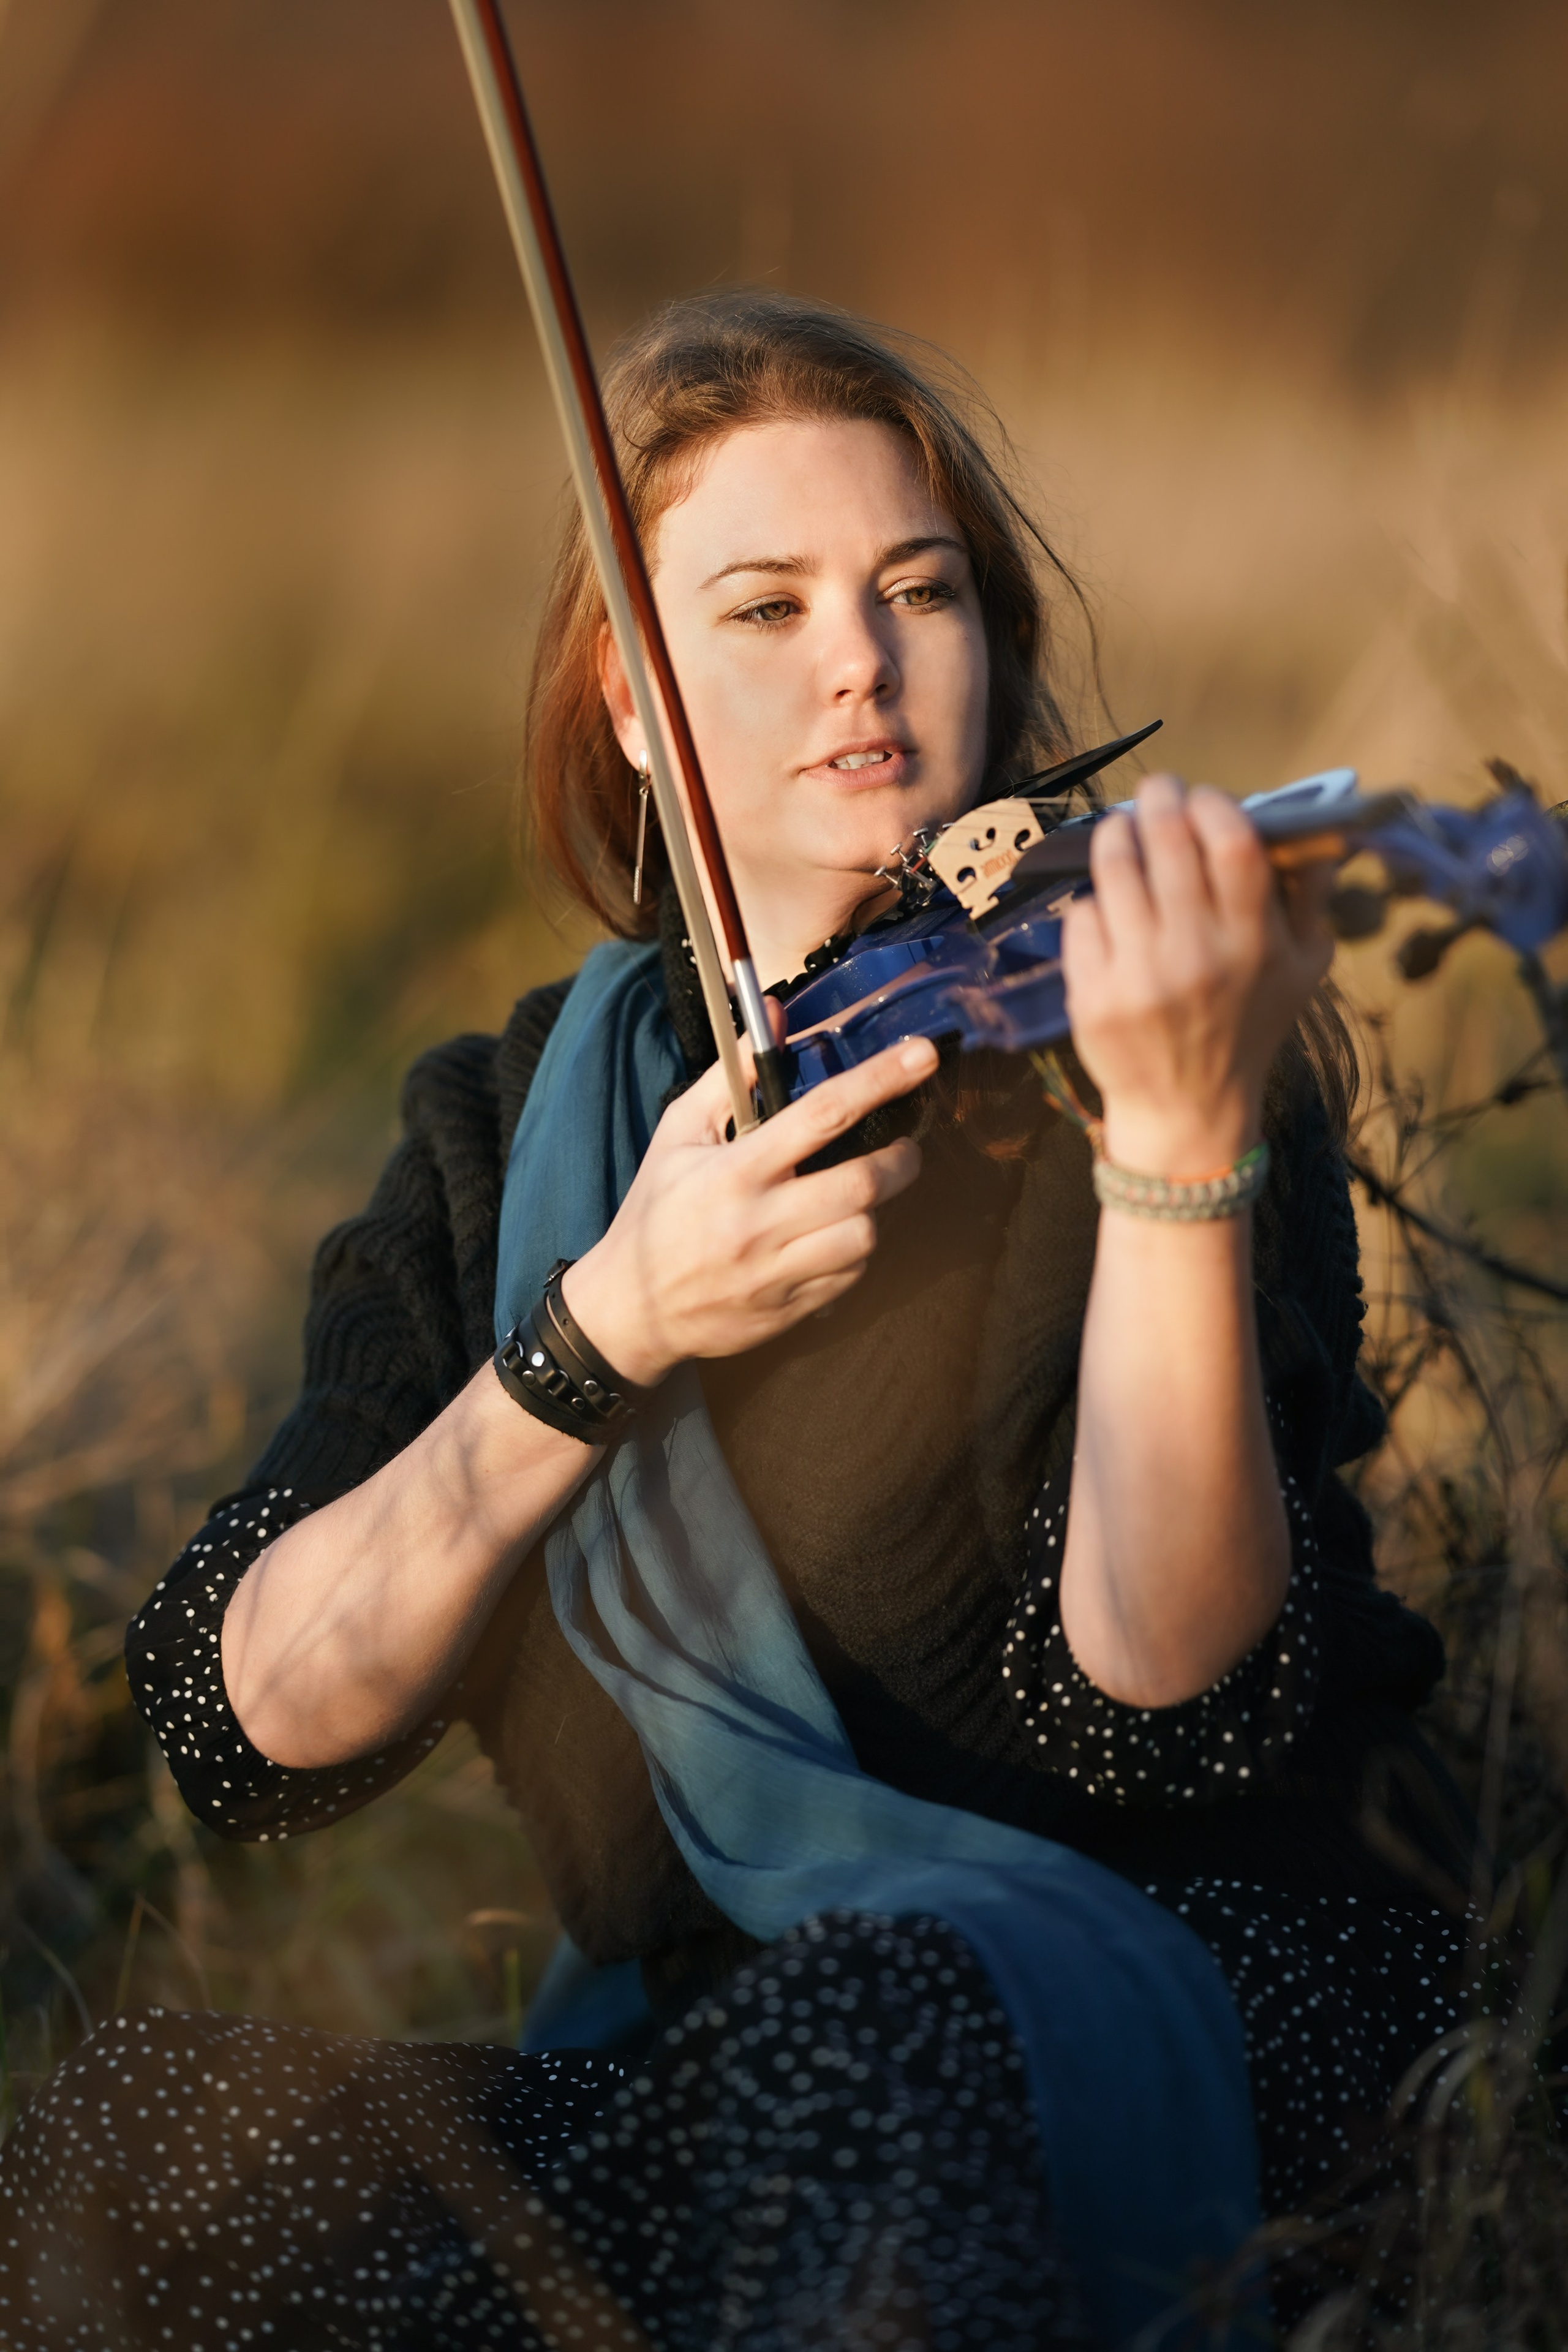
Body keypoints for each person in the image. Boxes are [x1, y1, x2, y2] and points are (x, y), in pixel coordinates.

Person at [0, 292, 1473, 2351]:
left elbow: (1160, 1712)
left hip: (1159, 2016)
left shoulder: (1156, 1052)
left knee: (863, 2029)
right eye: (763, 607)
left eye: (918, 589)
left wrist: (1181, 1141)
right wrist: (598, 1338)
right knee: (126, 2129)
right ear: (629, 700)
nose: (861, 659)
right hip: (705, 2077)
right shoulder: (505, 1131)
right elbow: (234, 1730)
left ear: (993, 645)